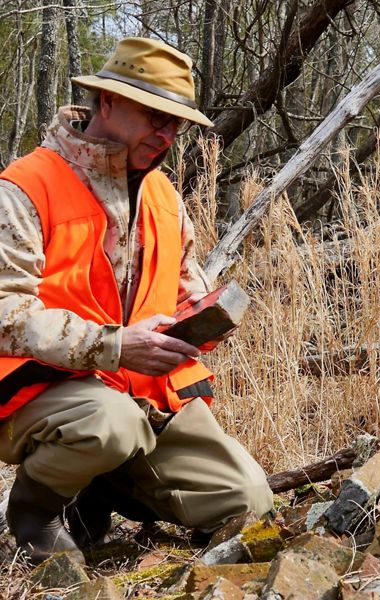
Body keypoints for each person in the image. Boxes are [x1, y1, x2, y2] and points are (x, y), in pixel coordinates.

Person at [0, 37, 273, 563]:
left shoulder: (164, 196)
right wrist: (115, 346)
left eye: (176, 124)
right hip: (41, 392)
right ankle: (33, 513)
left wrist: (199, 318)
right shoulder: (25, 188)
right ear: (107, 102)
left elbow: (182, 286)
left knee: (249, 501)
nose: (167, 134)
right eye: (155, 116)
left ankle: (101, 488)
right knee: (109, 426)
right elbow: (6, 316)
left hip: (141, 397)